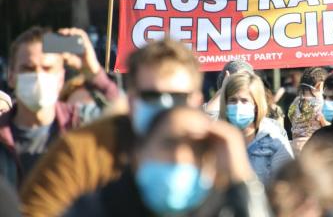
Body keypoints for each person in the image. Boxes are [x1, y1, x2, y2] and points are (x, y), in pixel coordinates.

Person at [20, 38, 203, 217]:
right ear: (131, 101)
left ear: (196, 102)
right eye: (151, 97)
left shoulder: (216, 150)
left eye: (177, 98)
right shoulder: (83, 150)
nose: (165, 108)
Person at [64, 107, 272, 217]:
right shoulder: (96, 208)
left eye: (196, 148)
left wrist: (242, 179)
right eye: (169, 144)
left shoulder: (224, 211)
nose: (181, 158)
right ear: (138, 152)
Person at [0, 26, 118, 186]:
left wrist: (93, 72)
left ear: (61, 77)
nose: (38, 76)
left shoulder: (81, 123)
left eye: (47, 68)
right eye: (28, 69)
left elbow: (133, 125)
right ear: (11, 76)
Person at [219, 72, 294, 184]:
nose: (238, 106)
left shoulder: (273, 139)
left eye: (244, 101)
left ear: (256, 105)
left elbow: (287, 183)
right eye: (233, 100)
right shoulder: (218, 138)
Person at [288, 67, 328, 155]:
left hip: (294, 146)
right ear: (320, 86)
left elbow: (292, 120)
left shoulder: (295, 101)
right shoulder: (319, 101)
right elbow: (323, 123)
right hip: (313, 147)